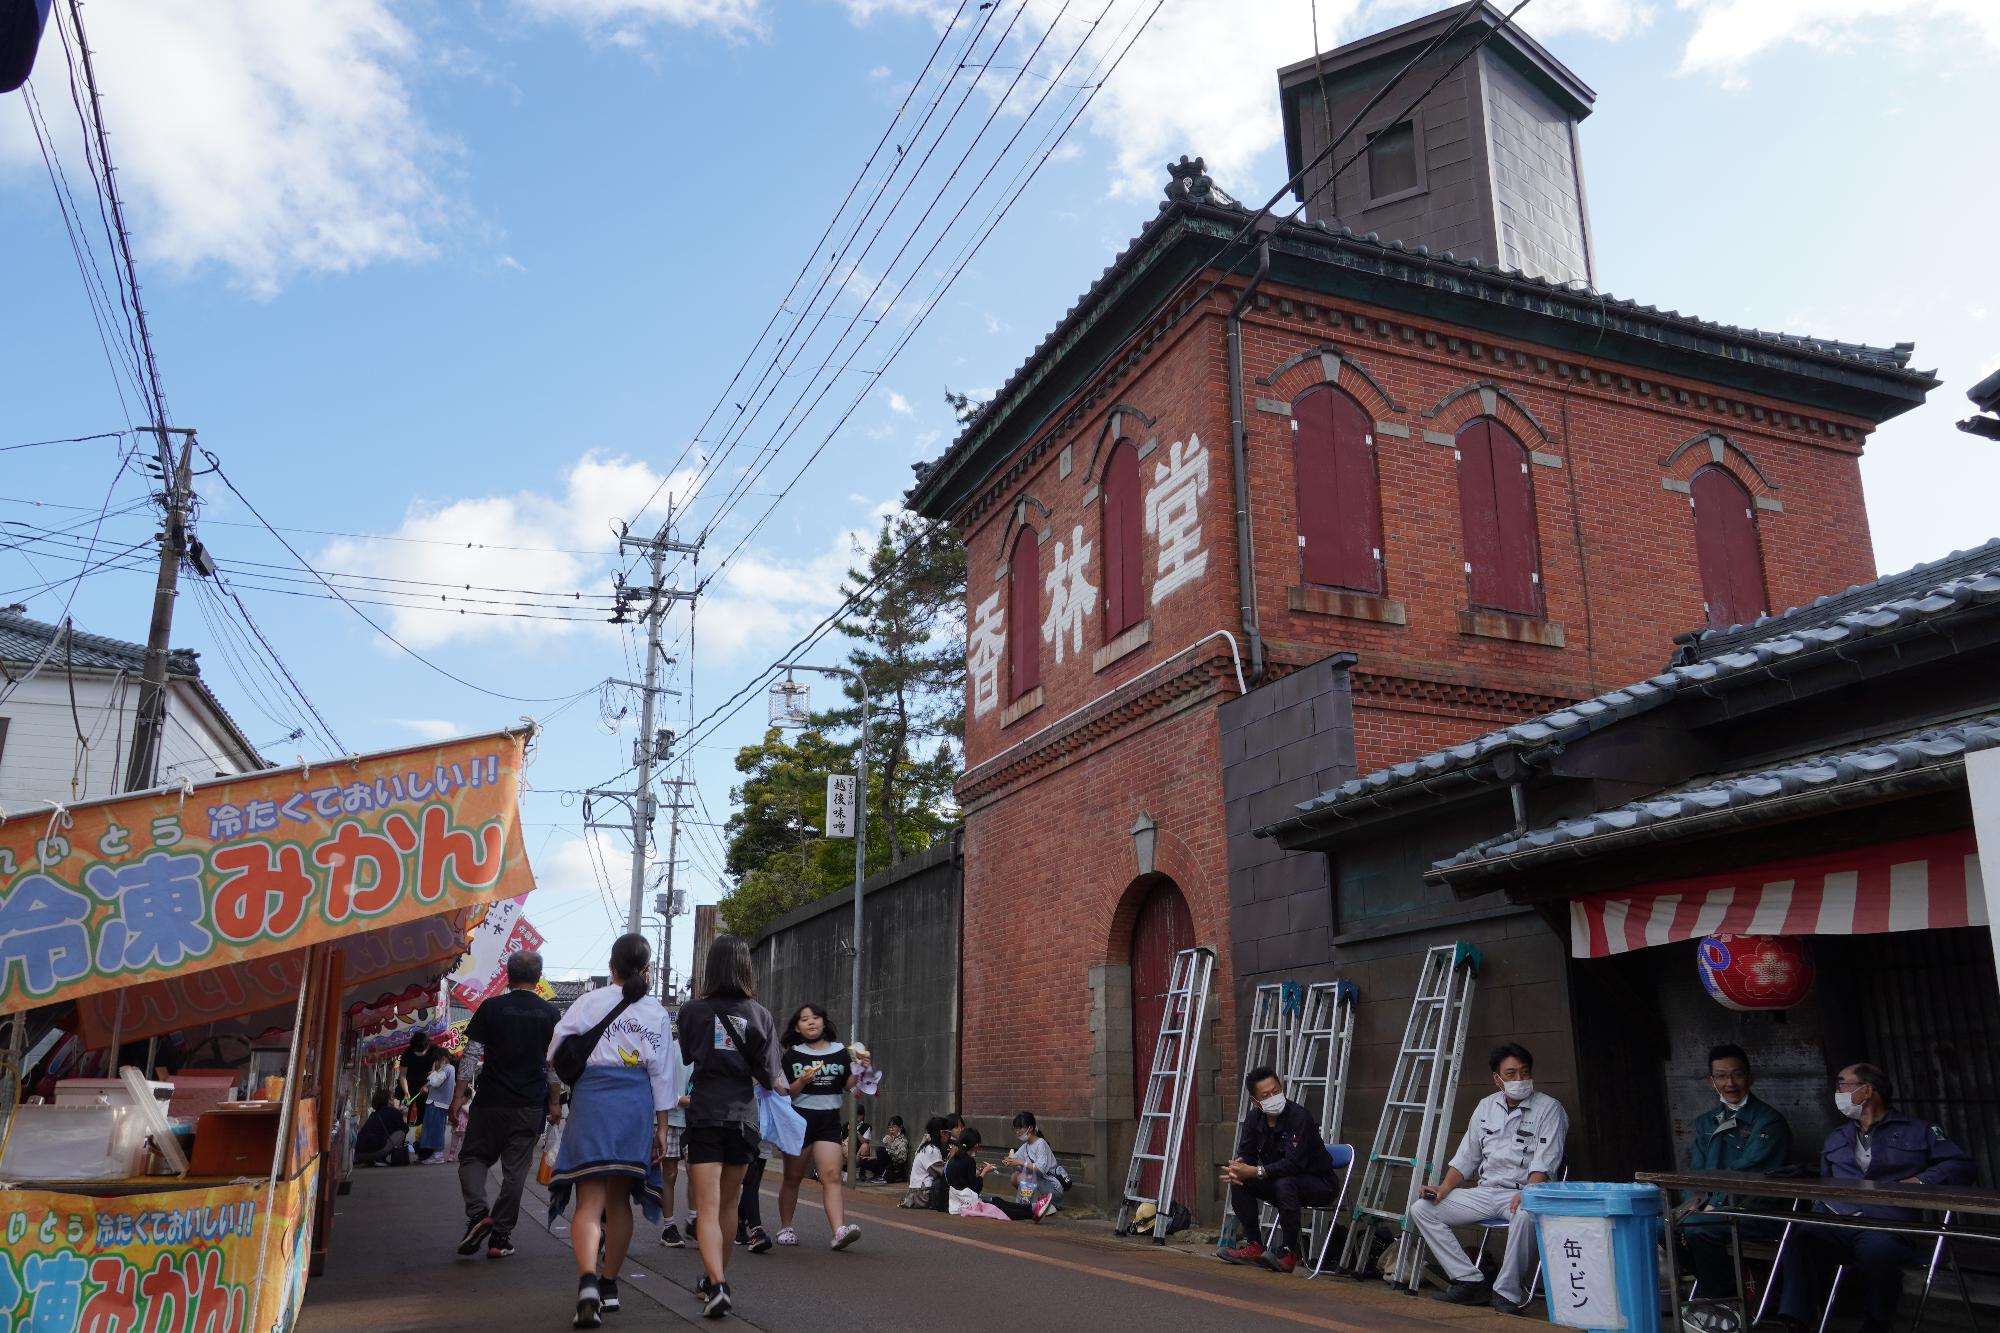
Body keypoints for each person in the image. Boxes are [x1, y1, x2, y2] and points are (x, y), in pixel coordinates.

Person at [1765, 1063, 1974, 1333]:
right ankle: (1794, 1321)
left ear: (1867, 1090)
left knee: (1878, 1252)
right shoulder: (1836, 1137)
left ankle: (1878, 1321)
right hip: (1836, 1220)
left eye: (1843, 1084)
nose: (1837, 1092)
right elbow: (1826, 1182)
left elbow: (1961, 1165)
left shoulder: (1918, 1130)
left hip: (1886, 1222)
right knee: (1801, 1241)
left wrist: (1921, 1181)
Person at [545, 935, 674, 1330]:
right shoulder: (656, 1012)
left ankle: (586, 1285)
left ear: (613, 966)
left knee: (589, 1201)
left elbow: (554, 1051)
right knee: (618, 1202)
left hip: (592, 1102)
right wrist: (663, 1127)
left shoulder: (589, 1001)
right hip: (635, 1105)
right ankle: (609, 1285)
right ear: (645, 968)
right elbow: (663, 1075)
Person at [1408, 1043, 1567, 1313]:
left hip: (1524, 1192)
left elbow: (1546, 1161)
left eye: (1525, 1073)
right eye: (1511, 1074)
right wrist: (1443, 1188)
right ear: (1497, 1079)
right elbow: (1466, 1157)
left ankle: (1506, 1292)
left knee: (1526, 1214)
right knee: (1422, 1209)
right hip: (1485, 1192)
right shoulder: (1485, 1107)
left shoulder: (1550, 1109)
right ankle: (1469, 1282)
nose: (1520, 1080)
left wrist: (1528, 1192)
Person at [676, 933, 785, 1320]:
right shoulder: (761, 1015)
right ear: (745, 967)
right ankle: (713, 1280)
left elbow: (689, 1055)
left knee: (705, 1207)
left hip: (705, 1112)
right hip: (744, 1118)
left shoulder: (691, 1012)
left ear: (711, 967)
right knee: (728, 1205)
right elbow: (772, 1077)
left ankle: (717, 1283)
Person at [455, 949, 561, 1261]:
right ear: (538, 977)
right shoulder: (551, 1014)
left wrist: (459, 1095)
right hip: (529, 1104)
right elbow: (552, 1064)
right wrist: (554, 1102)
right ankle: (499, 1238)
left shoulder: (491, 1007)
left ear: (508, 975)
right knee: (515, 1172)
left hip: (489, 1100)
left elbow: (471, 1054)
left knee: (473, 1157)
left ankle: (478, 1215)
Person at [1678, 1044, 1791, 1305]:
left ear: (1751, 1077)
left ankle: (1723, 1302)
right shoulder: (1706, 1121)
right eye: (1721, 1076)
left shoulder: (1768, 1121)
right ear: (1711, 1081)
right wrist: (1690, 1206)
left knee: (1697, 1229)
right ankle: (1725, 1288)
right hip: (1711, 1211)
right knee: (1661, 1227)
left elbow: (1751, 1174)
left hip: (1755, 1211)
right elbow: (1694, 1174)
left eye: (1737, 1075)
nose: (1730, 1083)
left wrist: (1713, 1207)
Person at [1216, 1066, 1340, 1274]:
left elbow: (1293, 1164)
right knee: (1239, 1180)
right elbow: (1246, 1154)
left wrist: (1255, 1171)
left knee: (1285, 1183)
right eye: (1266, 1095)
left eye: (1276, 1091)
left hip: (1318, 1184)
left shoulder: (1300, 1118)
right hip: (1280, 1182)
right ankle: (1254, 1244)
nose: (1273, 1097)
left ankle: (1290, 1253)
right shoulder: (1254, 1119)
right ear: (1256, 1101)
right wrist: (1238, 1168)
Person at [775, 1003, 863, 1251]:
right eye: (805, 1019)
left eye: (816, 1017)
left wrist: (861, 1068)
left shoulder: (841, 1052)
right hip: (798, 1118)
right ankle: (786, 1227)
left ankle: (838, 1231)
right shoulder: (792, 1055)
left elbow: (848, 1085)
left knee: (832, 1176)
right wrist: (802, 1081)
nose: (811, 1022)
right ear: (797, 1026)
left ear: (824, 1022)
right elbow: (786, 1094)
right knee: (793, 1177)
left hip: (828, 1119)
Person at [945, 1127, 1041, 1220]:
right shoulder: (969, 1161)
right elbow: (975, 1189)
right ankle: (1032, 1213)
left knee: (997, 1200)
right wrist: (984, 1172)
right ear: (975, 1145)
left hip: (958, 1199)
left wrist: (978, 1173)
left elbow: (964, 1180)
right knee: (999, 1207)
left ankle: (1031, 1208)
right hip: (966, 1203)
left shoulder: (954, 1159)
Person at [1002, 1111, 1067, 1214]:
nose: (1018, 1131)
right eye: (1016, 1128)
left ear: (1030, 1128)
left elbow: (1040, 1168)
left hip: (1052, 1189)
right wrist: (1009, 1161)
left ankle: (1040, 1205)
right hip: (1041, 1184)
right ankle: (1036, 1203)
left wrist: (1020, 1162)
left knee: (1024, 1177)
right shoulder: (1026, 1146)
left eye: (1020, 1128)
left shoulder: (1041, 1143)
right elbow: (1016, 1161)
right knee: (1015, 1176)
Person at [659, 1059, 693, 1249]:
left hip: (695, 1118)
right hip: (669, 1116)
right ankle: (669, 1226)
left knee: (697, 1170)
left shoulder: (704, 1040)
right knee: (670, 1173)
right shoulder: (667, 1037)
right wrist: (677, 1098)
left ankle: (694, 1220)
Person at [901, 1117, 949, 1209]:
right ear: (942, 1133)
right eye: (948, 1133)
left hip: (918, 1192)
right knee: (943, 1180)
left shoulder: (928, 1147)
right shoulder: (931, 1150)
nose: (949, 1137)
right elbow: (942, 1172)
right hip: (921, 1195)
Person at [354, 1088, 408, 1167]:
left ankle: (370, 1160)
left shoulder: (373, 1114)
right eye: (392, 1098)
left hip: (358, 1153)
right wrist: (404, 1115)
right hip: (377, 1151)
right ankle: (380, 1158)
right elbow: (405, 1128)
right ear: (388, 1101)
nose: (395, 1100)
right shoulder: (393, 1112)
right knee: (401, 1132)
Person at [420, 1051, 456, 1164]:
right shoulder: (448, 1069)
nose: (435, 1063)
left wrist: (434, 1071)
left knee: (436, 1128)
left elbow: (435, 1082)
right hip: (437, 1102)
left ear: (443, 1059)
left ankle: (438, 1154)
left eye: (437, 1060)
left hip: (438, 1103)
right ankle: (435, 1154)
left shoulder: (447, 1068)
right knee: (433, 1128)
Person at [861, 1116, 911, 1183]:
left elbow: (901, 1159)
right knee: (865, 1161)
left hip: (894, 1167)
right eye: (890, 1127)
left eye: (894, 1126)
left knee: (880, 1150)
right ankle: (878, 1175)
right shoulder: (891, 1138)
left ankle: (882, 1176)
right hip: (886, 1164)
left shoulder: (903, 1141)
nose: (891, 1129)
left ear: (900, 1128)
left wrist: (889, 1146)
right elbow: (885, 1156)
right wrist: (876, 1158)